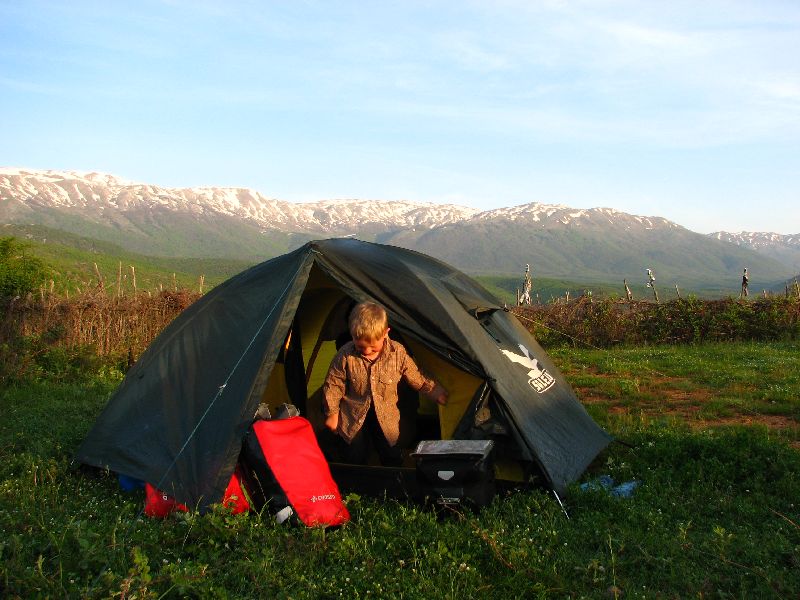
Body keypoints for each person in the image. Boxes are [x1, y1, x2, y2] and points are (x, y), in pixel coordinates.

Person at [323, 301, 448, 466]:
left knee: (389, 449)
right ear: (352, 335)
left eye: (373, 348)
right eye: (360, 346)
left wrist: (435, 391)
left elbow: (415, 375)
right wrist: (332, 413)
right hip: (354, 414)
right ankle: (356, 482)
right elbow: (333, 384)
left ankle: (393, 477)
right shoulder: (345, 355)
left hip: (386, 416)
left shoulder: (397, 353)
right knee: (354, 450)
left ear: (385, 334)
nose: (367, 352)